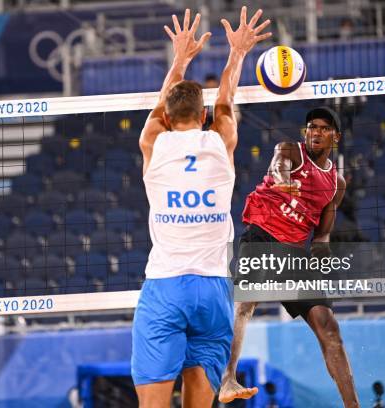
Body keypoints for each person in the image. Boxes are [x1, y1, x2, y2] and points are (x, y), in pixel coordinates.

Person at [131, 7, 271, 407]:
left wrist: (180, 59)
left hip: (166, 286)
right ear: (204, 116)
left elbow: (161, 111)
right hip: (212, 291)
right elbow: (227, 102)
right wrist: (237, 53)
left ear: (166, 117)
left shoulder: (153, 144)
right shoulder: (220, 143)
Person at [219, 107, 360, 407]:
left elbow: (322, 232)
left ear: (336, 136)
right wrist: (284, 180)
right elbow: (278, 167)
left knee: (328, 326)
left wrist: (322, 249)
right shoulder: (290, 150)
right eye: (312, 126)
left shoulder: (337, 184)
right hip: (262, 235)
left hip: (294, 253)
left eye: (323, 128)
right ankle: (227, 377)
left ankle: (353, 405)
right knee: (244, 305)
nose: (316, 132)